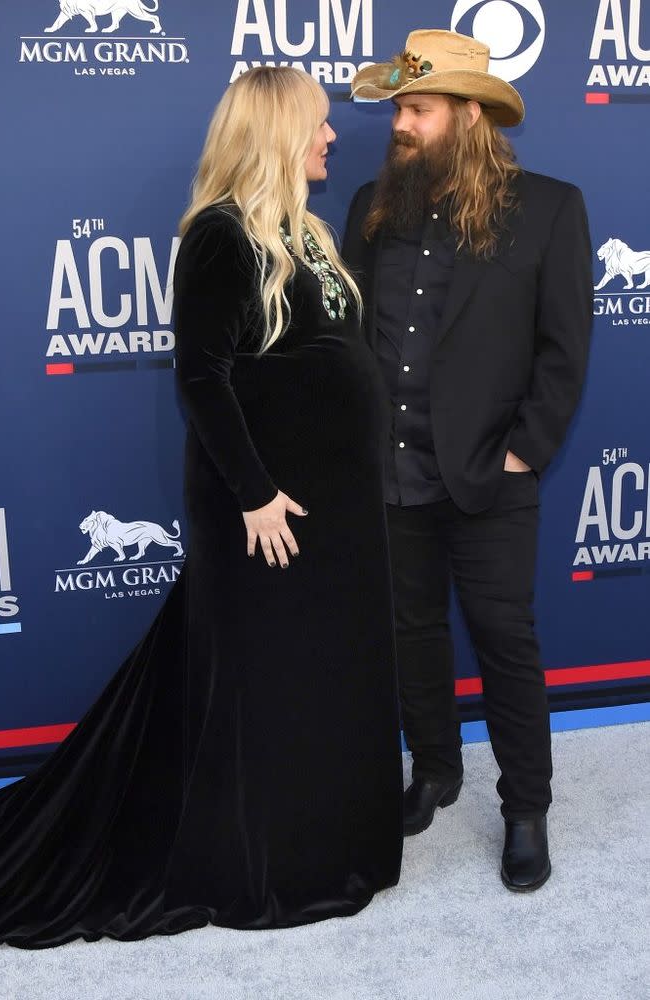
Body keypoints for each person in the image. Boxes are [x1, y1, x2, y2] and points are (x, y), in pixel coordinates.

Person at [0, 67, 403, 959]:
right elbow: (202, 379)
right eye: (319, 126)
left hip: (331, 510)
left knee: (323, 676)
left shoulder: (310, 233)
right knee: (268, 684)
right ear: (273, 134)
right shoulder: (222, 238)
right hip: (268, 510)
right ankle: (273, 857)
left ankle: (334, 832)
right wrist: (255, 494)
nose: (334, 138)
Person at [342, 29, 592, 892]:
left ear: (470, 116)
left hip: (491, 473)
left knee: (502, 638)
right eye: (399, 110)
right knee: (411, 630)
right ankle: (436, 772)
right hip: (391, 470)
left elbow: (565, 350)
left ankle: (526, 807)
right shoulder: (375, 204)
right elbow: (355, 337)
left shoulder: (552, 208)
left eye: (416, 108)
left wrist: (526, 451)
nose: (399, 124)